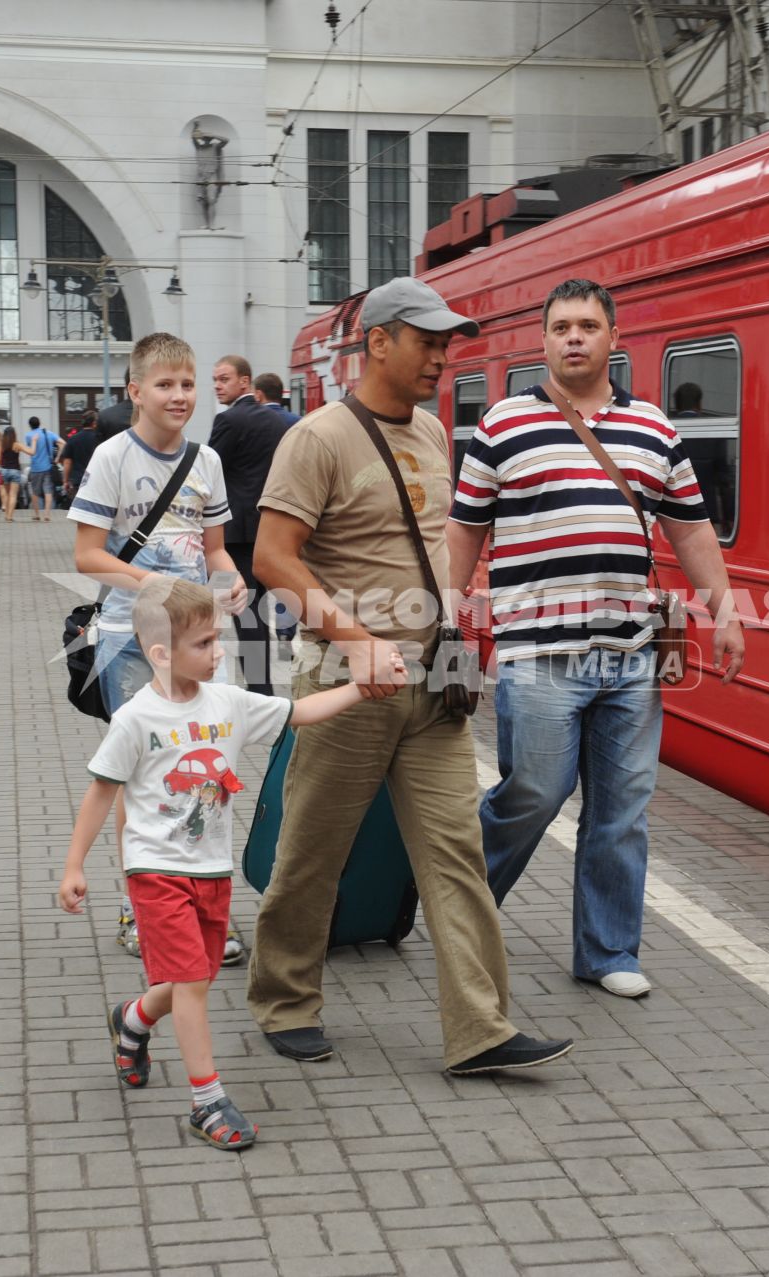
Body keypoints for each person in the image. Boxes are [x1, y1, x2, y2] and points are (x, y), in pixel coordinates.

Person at [248, 276, 572, 1076]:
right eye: (427, 340)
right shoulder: (317, 438)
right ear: (378, 341)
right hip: (349, 684)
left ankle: (480, 1028)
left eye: (446, 341)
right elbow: (271, 557)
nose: (441, 355)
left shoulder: (431, 431)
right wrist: (357, 640)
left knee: (456, 854)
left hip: (433, 684)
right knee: (314, 849)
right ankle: (285, 998)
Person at [449, 278, 746, 1001]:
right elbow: (464, 528)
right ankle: (458, 905)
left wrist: (725, 608)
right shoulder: (502, 425)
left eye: (586, 325)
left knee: (622, 810)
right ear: (544, 342)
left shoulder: (654, 431)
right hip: (538, 650)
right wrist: (442, 611)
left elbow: (691, 529)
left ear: (615, 339)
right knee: (535, 791)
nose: (573, 337)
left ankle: (608, 949)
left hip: (630, 652)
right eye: (560, 327)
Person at [58, 577, 375, 1150]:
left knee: (191, 980)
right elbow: (101, 791)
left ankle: (132, 1020)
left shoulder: (227, 703)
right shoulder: (136, 718)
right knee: (193, 986)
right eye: (204, 643)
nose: (218, 650)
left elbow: (298, 711)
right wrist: (74, 866)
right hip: (154, 870)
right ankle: (207, 1102)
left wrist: (360, 689)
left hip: (211, 870)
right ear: (161, 654)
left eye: (217, 638)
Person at [70, 332, 249, 968]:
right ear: (136, 390)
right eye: (165, 385)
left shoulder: (207, 462)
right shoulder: (112, 457)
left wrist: (229, 582)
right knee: (141, 781)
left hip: (194, 643)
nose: (179, 396)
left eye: (188, 384)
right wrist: (161, 585)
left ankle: (200, 907)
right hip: (129, 641)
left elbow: (215, 548)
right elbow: (88, 555)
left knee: (200, 768)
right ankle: (140, 911)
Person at [209, 354, 294, 696]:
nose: (217, 385)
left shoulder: (228, 420)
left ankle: (260, 694)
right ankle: (268, 690)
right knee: (273, 607)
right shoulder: (279, 423)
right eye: (215, 379)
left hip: (235, 536)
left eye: (224, 379)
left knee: (246, 617)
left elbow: (209, 471)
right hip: (273, 530)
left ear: (246, 382)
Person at [61, 409, 104, 500]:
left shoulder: (73, 439)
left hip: (77, 480)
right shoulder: (100, 439)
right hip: (96, 480)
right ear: (94, 423)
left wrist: (65, 481)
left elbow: (67, 462)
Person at [25, 413, 60, 520]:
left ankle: (37, 515)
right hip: (48, 467)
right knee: (48, 491)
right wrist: (57, 458)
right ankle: (47, 514)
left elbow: (30, 450)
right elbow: (63, 443)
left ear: (30, 425)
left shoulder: (29, 435)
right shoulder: (48, 433)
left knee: (35, 491)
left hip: (35, 467)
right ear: (39, 423)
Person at [0, 424, 29, 522]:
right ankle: (10, 517)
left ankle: (6, 515)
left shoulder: (2, 444)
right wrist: (34, 443)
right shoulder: (17, 444)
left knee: (6, 494)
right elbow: (30, 452)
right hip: (15, 470)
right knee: (13, 495)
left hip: (4, 471)